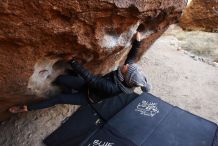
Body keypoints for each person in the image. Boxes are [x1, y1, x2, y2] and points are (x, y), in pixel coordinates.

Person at [9, 31, 151, 113]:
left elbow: (92, 80)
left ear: (126, 76)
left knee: (60, 99)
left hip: (88, 97)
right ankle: (70, 88)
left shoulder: (113, 88)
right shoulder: (128, 74)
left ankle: (26, 108)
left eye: (127, 68)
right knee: (61, 79)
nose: (125, 66)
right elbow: (131, 58)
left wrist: (72, 61)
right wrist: (138, 42)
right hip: (89, 86)